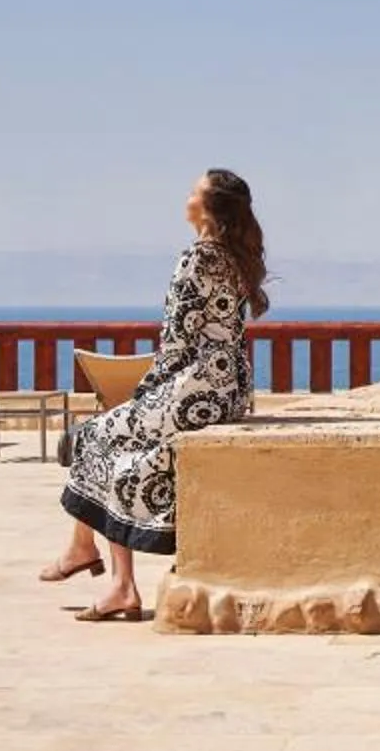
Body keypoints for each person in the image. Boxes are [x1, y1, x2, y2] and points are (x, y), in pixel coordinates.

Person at [44, 168, 269, 621]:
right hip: (228, 389)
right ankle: (86, 553)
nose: (185, 197)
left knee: (93, 436)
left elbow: (176, 343)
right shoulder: (231, 257)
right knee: (113, 442)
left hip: (196, 388)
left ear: (207, 207)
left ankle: (111, 577)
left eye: (193, 191)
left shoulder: (196, 259)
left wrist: (144, 396)